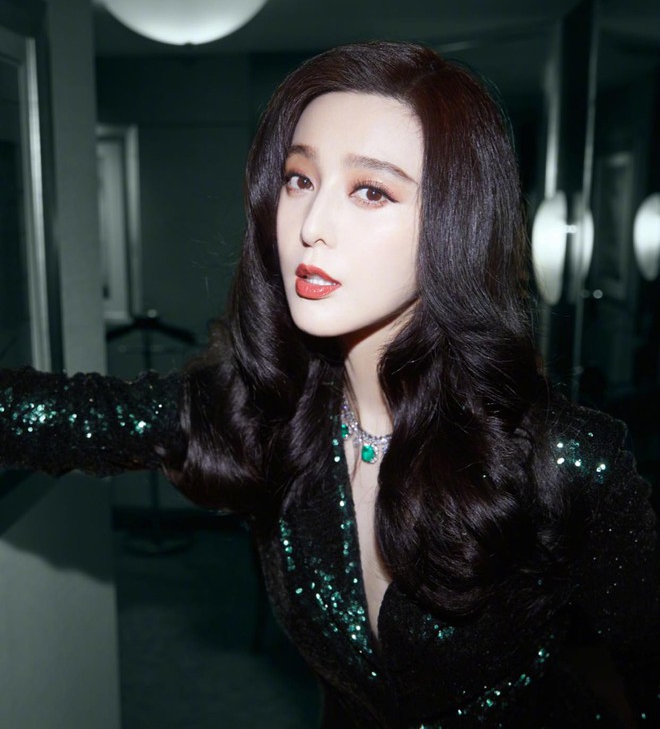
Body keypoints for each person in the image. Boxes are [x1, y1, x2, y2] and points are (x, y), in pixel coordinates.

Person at [0, 42, 658, 728]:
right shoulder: (262, 410)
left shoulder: (566, 458)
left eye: (371, 191)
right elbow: (53, 416)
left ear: (455, 222)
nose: (311, 227)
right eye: (299, 180)